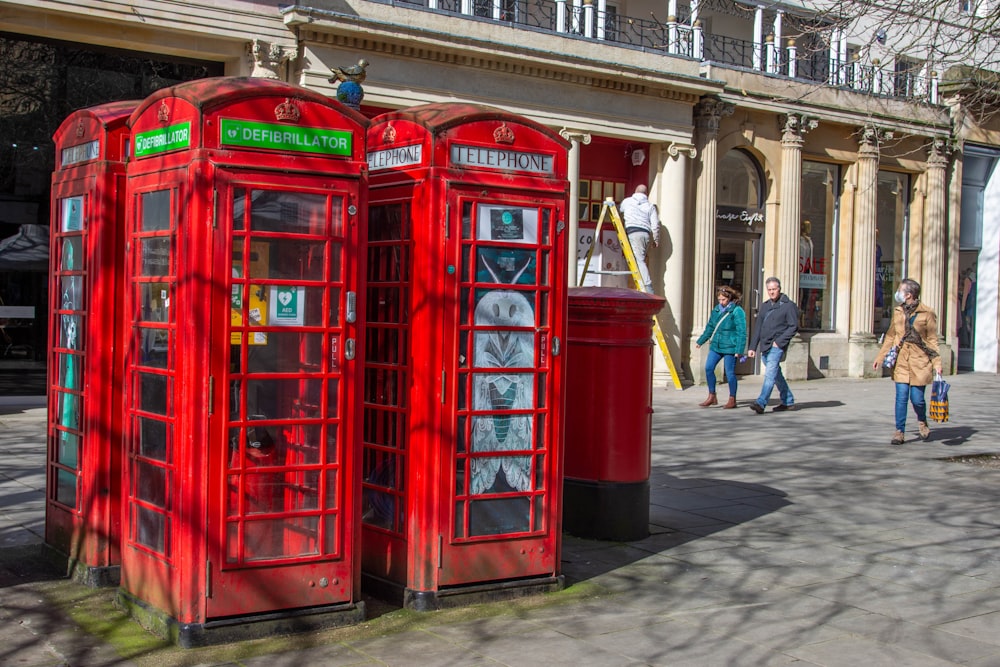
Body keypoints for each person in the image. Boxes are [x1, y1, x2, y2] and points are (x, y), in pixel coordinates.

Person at [873, 278, 943, 445]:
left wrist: (937, 364)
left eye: (900, 290)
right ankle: (899, 431)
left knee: (917, 399)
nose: (898, 292)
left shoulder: (927, 313)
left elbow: (932, 340)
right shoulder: (898, 311)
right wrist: (880, 357)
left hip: (920, 361)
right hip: (902, 360)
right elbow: (891, 335)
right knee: (901, 396)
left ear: (909, 295)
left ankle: (922, 421)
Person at [747, 277, 798, 414]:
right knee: (776, 375)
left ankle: (761, 402)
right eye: (769, 290)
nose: (771, 292)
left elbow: (793, 327)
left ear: (779, 289)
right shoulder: (765, 306)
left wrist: (780, 342)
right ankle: (788, 401)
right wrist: (752, 347)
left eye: (774, 289)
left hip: (777, 346)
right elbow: (758, 327)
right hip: (765, 345)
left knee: (770, 374)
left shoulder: (788, 306)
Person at [695, 285, 747, 409]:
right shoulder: (716, 310)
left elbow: (742, 331)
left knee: (729, 373)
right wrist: (701, 341)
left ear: (729, 298)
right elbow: (710, 327)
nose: (721, 302)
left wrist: (739, 350)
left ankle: (732, 398)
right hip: (717, 345)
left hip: (730, 347)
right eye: (719, 300)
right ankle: (712, 395)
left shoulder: (737, 311)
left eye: (723, 300)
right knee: (708, 368)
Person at [620, 184, 660, 293]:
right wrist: (656, 239)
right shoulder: (650, 206)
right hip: (645, 234)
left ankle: (648, 287)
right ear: (646, 194)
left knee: (639, 260)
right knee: (639, 258)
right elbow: (655, 225)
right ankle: (641, 285)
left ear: (635, 191)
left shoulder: (627, 201)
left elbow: (620, 210)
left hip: (632, 232)